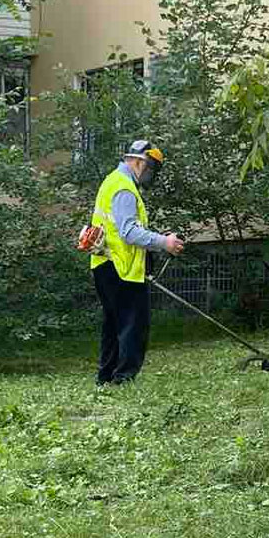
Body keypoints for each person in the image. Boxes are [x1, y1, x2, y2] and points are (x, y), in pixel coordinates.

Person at [89, 140, 184, 386]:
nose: (151, 175)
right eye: (151, 169)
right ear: (139, 161)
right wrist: (165, 242)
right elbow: (128, 232)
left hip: (106, 265)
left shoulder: (113, 181)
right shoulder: (124, 188)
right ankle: (123, 379)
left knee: (113, 325)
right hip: (122, 269)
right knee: (133, 325)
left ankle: (106, 378)